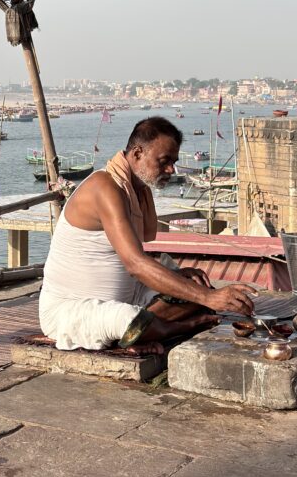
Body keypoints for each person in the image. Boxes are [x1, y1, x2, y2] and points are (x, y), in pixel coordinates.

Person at [38, 116, 255, 350]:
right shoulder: (104, 186)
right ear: (138, 154)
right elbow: (135, 264)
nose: (171, 169)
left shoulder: (137, 189)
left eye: (172, 161)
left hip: (130, 298)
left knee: (194, 285)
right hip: (71, 309)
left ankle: (152, 328)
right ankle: (175, 328)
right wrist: (209, 299)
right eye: (164, 161)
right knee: (130, 319)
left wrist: (193, 286)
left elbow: (134, 263)